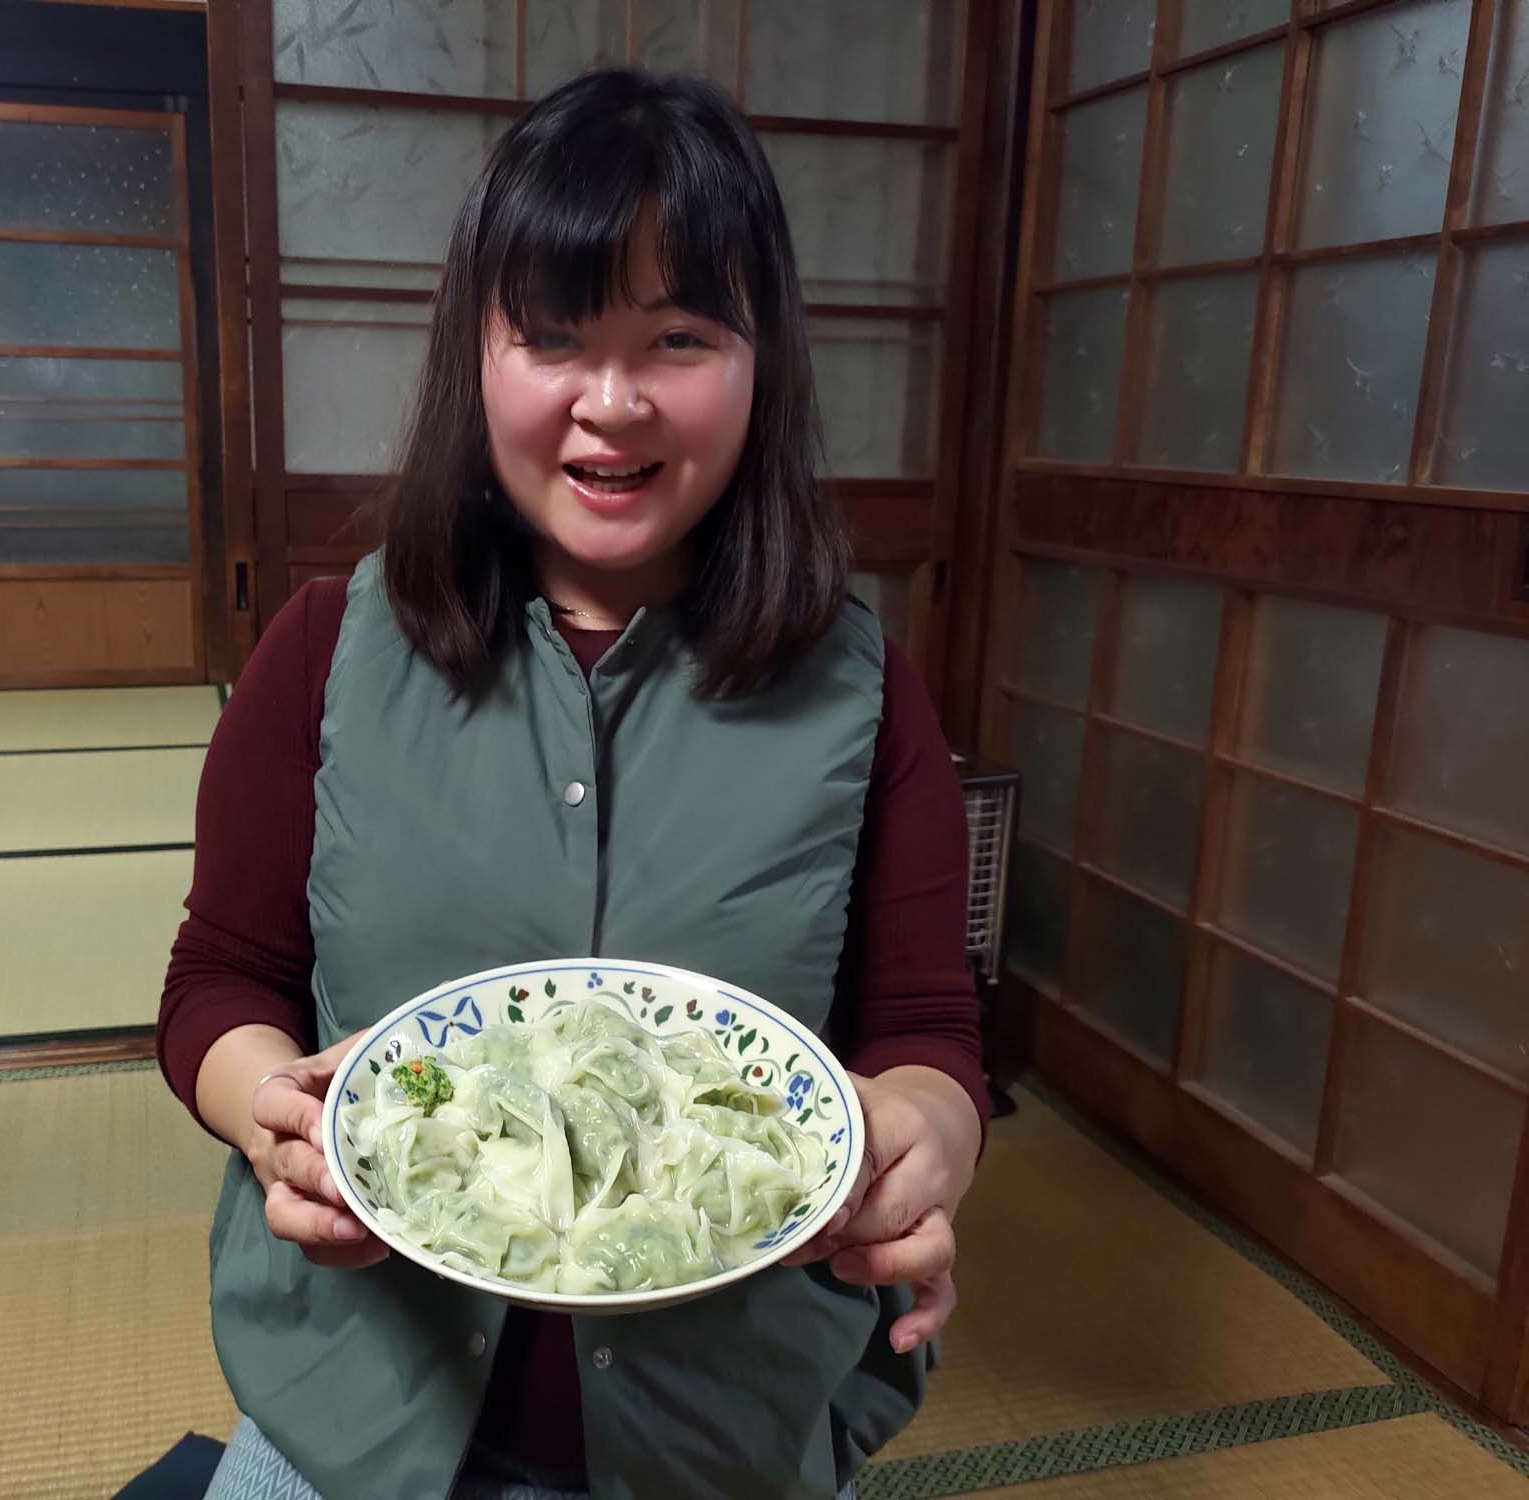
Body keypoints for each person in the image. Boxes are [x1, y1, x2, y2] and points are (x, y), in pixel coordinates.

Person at [158, 67, 985, 1500]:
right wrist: (271, 1111)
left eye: (677, 337)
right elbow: (221, 980)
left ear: (758, 360)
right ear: (475, 352)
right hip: (358, 1407)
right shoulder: (322, 651)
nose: (611, 404)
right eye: (553, 337)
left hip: (727, 1433)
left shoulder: (867, 692)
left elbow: (924, 1033)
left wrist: (927, 1144)